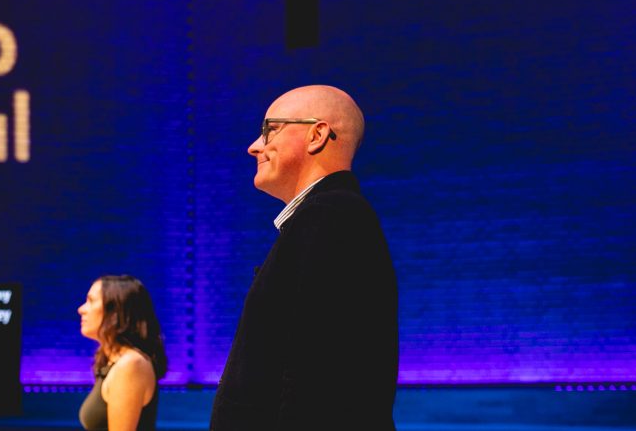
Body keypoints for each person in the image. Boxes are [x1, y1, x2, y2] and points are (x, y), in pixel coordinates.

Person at [209, 85, 399, 430]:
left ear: (317, 135)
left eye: (270, 130)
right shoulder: (324, 217)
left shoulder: (332, 216)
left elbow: (319, 377)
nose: (254, 146)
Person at [78, 274, 168, 431]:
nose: (81, 309)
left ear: (115, 312)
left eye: (91, 301)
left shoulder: (131, 365)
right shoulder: (115, 362)